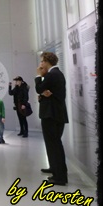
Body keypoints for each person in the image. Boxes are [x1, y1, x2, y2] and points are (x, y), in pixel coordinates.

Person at [35, 52, 69, 186]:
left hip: (51, 115)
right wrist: (43, 95)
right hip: (55, 114)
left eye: (42, 61)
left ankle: (60, 176)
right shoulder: (56, 74)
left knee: (54, 145)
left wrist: (39, 75)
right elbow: (46, 93)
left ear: (46, 62)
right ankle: (55, 169)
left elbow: (39, 88)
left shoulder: (51, 75)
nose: (41, 64)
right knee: (53, 144)